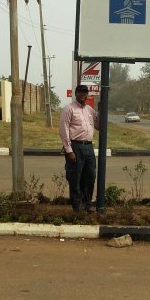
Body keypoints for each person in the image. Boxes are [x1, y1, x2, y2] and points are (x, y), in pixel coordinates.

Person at [59, 84, 99, 212]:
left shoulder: (90, 110)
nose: (83, 94)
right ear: (76, 93)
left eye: (85, 92)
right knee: (75, 177)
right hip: (75, 147)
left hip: (88, 147)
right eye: (81, 92)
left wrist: (101, 111)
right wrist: (69, 150)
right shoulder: (69, 109)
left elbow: (98, 125)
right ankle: (77, 207)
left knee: (90, 176)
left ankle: (87, 204)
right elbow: (63, 130)